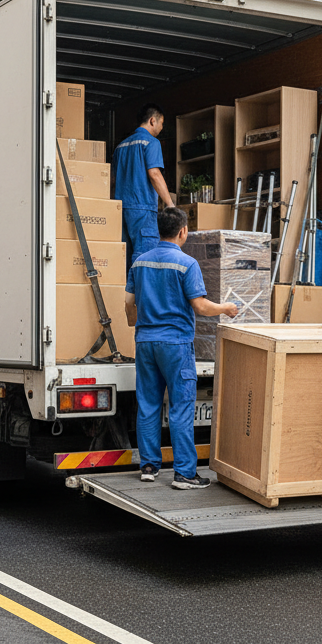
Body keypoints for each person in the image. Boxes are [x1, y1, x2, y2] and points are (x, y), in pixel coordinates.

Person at [125, 207, 238, 489]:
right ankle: (185, 473)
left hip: (145, 341)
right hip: (175, 344)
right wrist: (226, 308)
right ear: (183, 231)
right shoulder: (187, 264)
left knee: (148, 405)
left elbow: (129, 304)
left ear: (159, 230)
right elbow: (200, 305)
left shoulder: (139, 262)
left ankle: (149, 467)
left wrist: (137, 325)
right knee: (181, 407)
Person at [113, 104, 174, 267]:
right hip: (142, 208)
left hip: (119, 209)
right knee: (145, 258)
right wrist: (170, 204)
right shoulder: (151, 143)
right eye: (161, 123)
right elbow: (154, 174)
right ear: (152, 120)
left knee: (123, 259)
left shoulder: (121, 147)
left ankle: (125, 292)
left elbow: (112, 179)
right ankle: (141, 293)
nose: (161, 128)